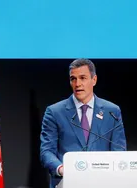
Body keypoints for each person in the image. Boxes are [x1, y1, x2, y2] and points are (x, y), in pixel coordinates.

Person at [40, 58, 127, 188]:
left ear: (94, 80)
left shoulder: (112, 111)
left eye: (82, 78)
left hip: (103, 183)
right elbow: (46, 151)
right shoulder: (54, 112)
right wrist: (61, 168)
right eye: (73, 79)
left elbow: (119, 150)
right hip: (67, 182)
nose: (77, 84)